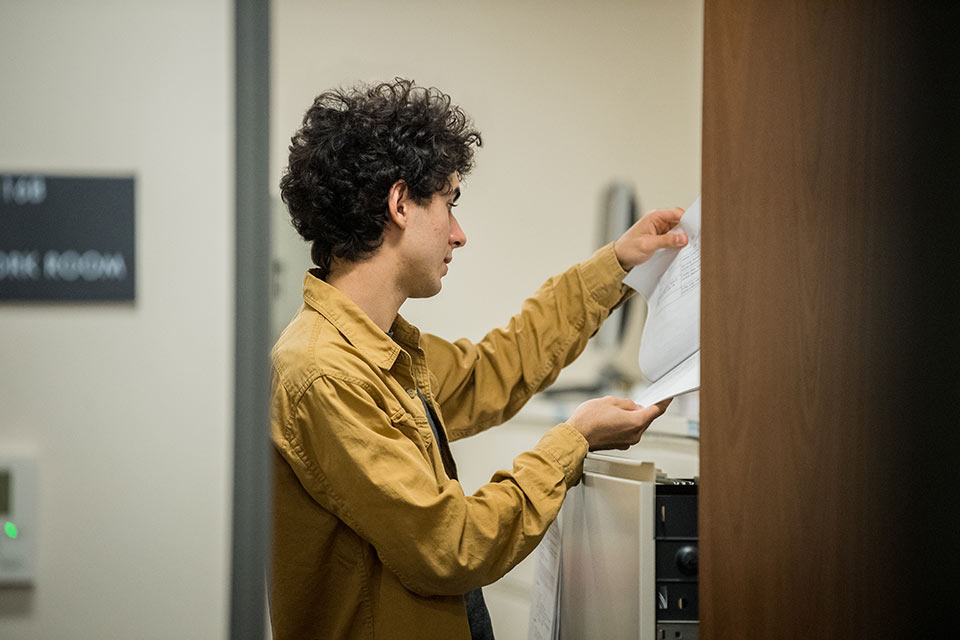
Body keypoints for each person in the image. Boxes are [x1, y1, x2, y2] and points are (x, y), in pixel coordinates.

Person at [269, 78, 688, 640]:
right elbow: (452, 546)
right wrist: (574, 441)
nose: (459, 234)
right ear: (399, 204)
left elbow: (498, 367)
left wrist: (616, 264)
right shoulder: (323, 373)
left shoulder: (381, 347)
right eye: (449, 205)